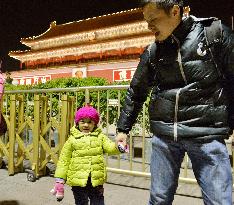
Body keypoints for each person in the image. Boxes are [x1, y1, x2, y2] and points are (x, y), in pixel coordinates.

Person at [116, 0, 234, 204]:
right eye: (146, 21)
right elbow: (137, 91)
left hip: (206, 135)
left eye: (153, 20)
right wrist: (122, 129)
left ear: (175, 11)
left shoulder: (214, 34)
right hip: (164, 136)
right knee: (159, 199)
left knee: (219, 201)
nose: (148, 26)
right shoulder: (153, 51)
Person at [51, 105, 123, 205]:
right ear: (77, 123)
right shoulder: (72, 139)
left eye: (90, 122)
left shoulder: (100, 137)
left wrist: (118, 146)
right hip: (78, 180)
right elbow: (64, 160)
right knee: (81, 202)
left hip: (96, 179)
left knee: (98, 201)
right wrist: (60, 179)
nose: (86, 125)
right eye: (82, 121)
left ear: (94, 124)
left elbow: (110, 147)